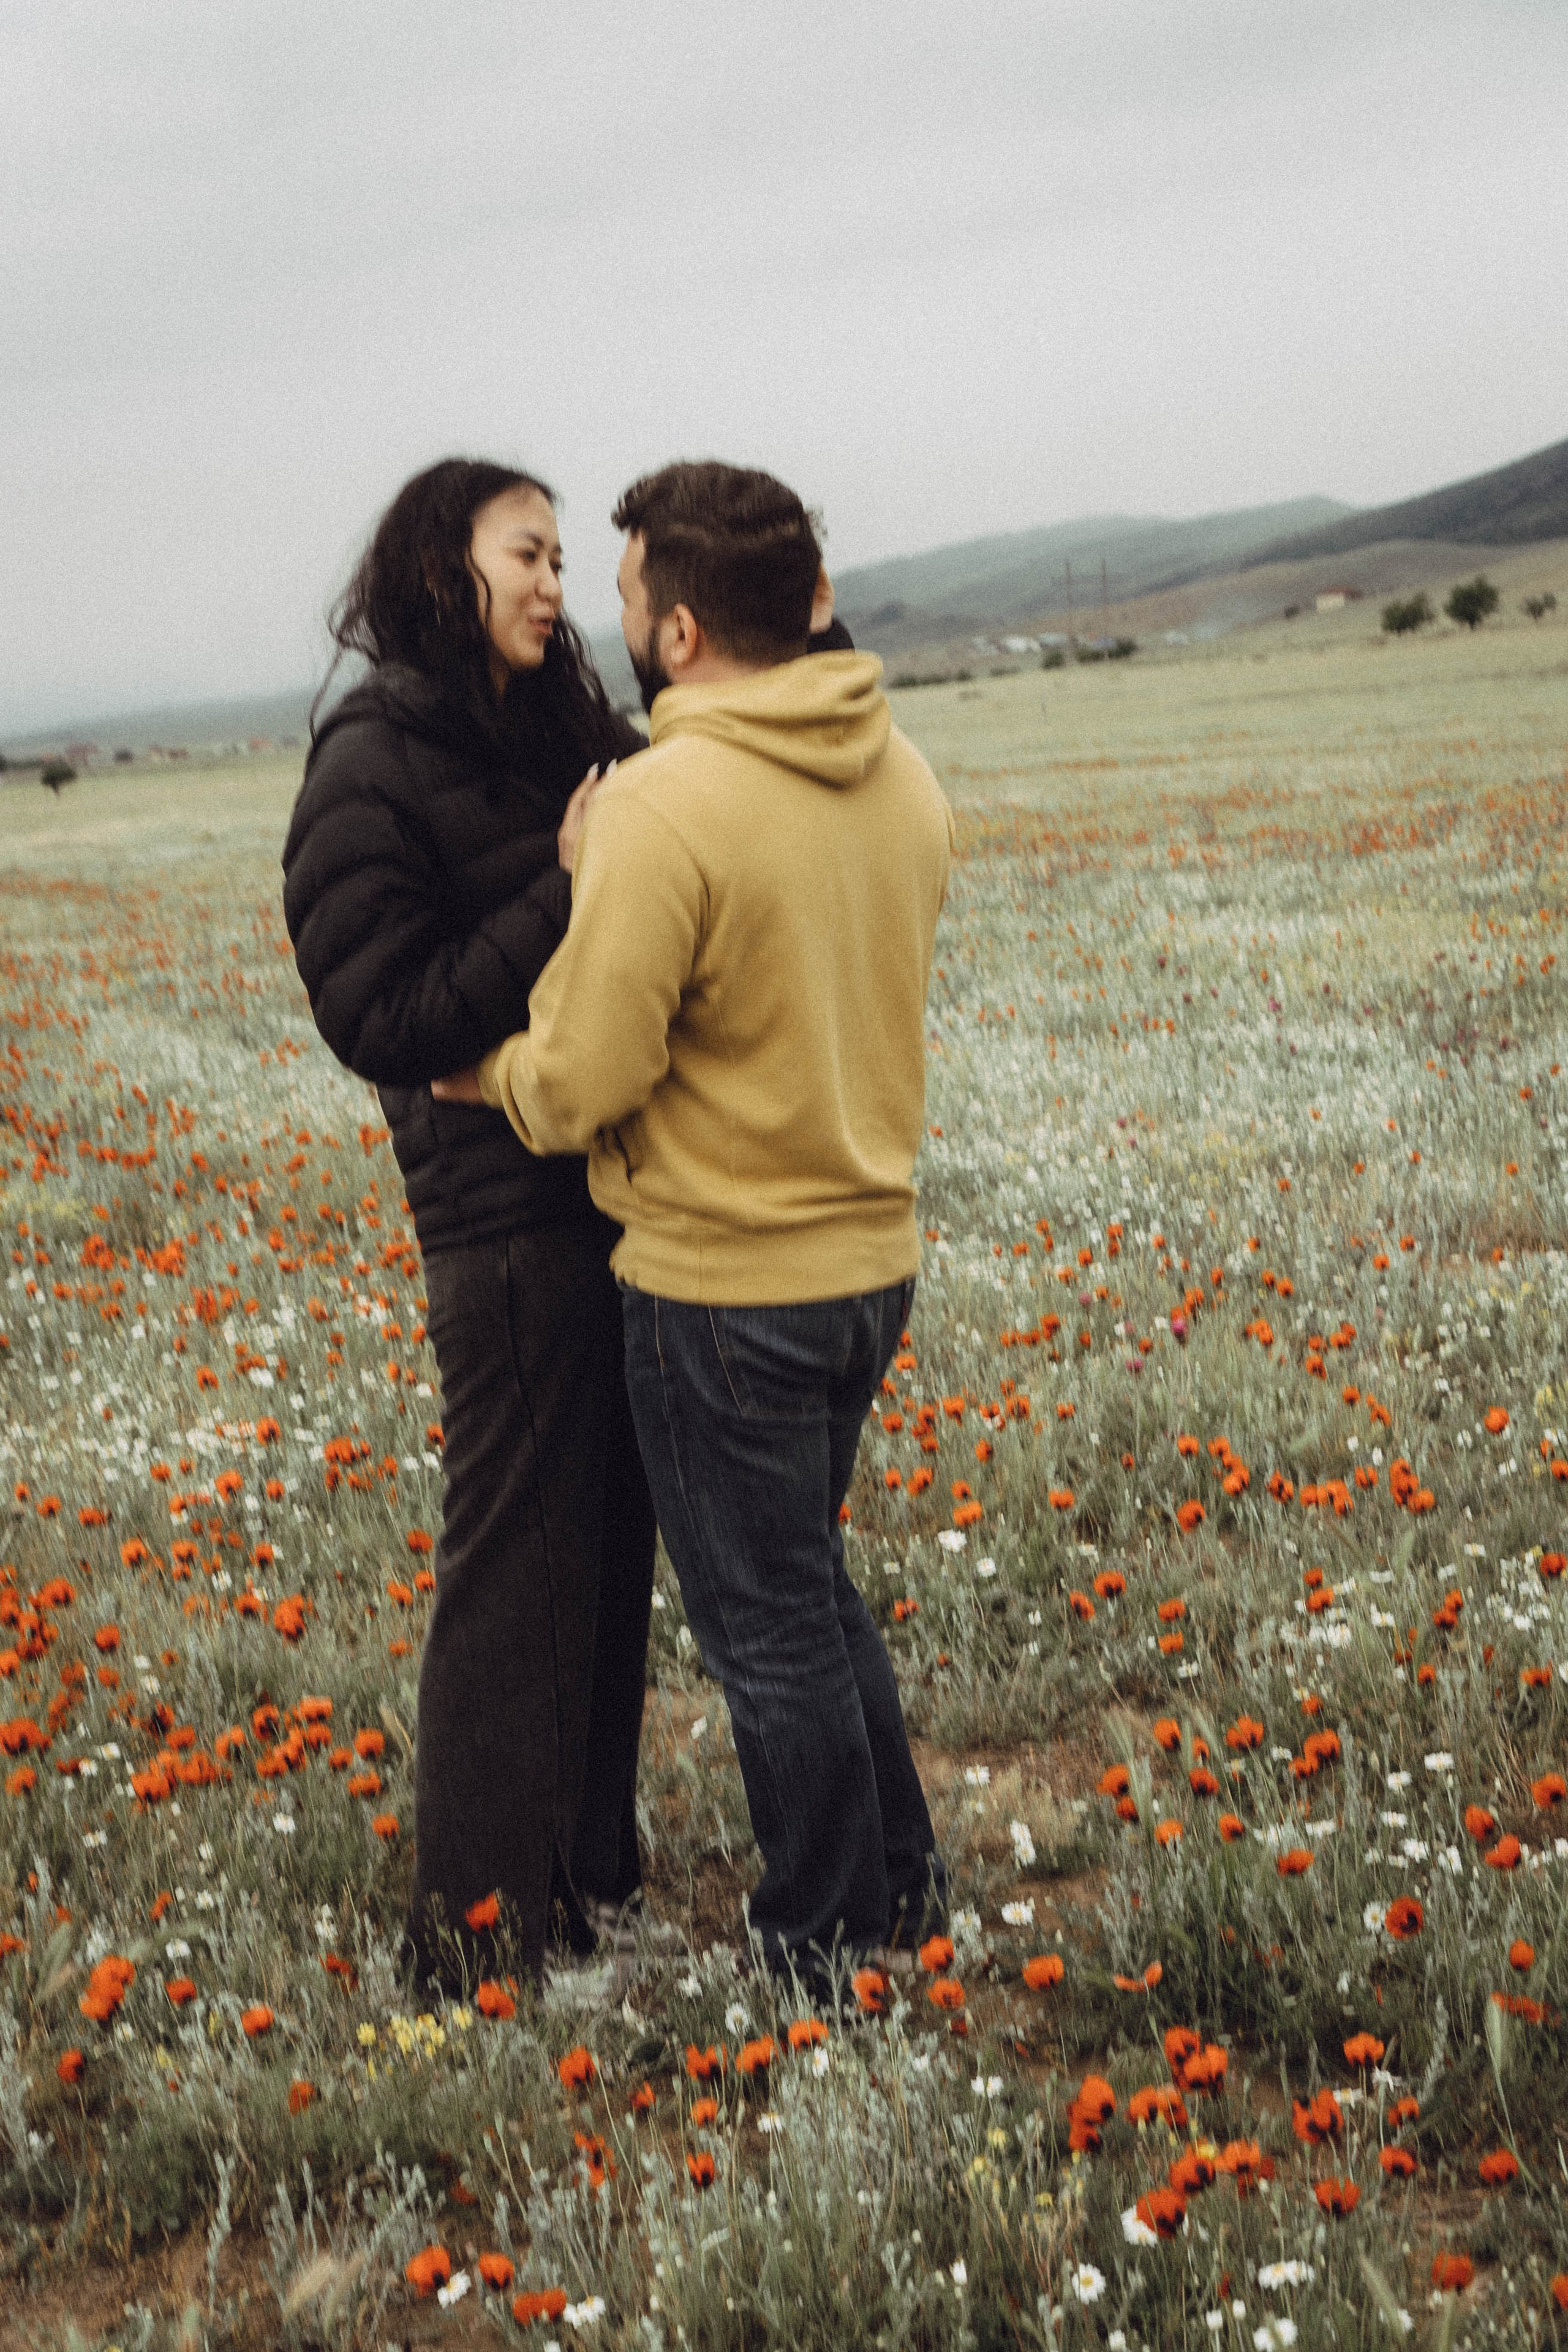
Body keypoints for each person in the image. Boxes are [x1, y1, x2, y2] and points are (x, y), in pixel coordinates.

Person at [437, 460, 952, 1989]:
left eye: (615, 597)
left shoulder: (665, 803)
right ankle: (898, 1893)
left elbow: (592, 1070)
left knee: (766, 1626)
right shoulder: (902, 771)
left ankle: (823, 1949)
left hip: (723, 1286)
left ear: (673, 634)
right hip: (868, 1263)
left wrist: (489, 1077)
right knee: (806, 1583)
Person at [281, 458, 658, 1988]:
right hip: (496, 1217)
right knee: (514, 1564)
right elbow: (382, 1012)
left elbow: (668, 801)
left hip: (611, 1189)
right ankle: (477, 1941)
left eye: (567, 559)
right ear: (447, 563)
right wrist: (566, 893)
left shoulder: (554, 722)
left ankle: (587, 1885)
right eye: (530, 553)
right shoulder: (367, 761)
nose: (557, 584)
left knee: (607, 1542)